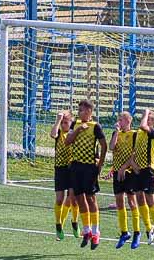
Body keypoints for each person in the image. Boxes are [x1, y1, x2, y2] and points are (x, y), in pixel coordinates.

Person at [65, 100, 107, 250]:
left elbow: (104, 145)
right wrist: (77, 130)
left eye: (82, 110)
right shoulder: (74, 125)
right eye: (79, 110)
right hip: (76, 166)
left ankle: (96, 232)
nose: (79, 113)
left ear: (89, 111)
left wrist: (100, 164)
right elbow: (67, 141)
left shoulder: (95, 127)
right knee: (79, 198)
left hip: (89, 167)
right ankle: (87, 229)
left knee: (90, 198)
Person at [127, 108, 154, 248]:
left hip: (148, 169)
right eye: (145, 118)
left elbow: (143, 125)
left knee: (150, 200)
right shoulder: (138, 134)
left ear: (153, 122)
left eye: (148, 118)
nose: (145, 120)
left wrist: (147, 112)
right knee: (139, 198)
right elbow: (134, 152)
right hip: (138, 170)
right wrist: (133, 164)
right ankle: (149, 229)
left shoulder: (153, 133)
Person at [110, 112, 141, 250]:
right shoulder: (116, 133)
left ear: (128, 121)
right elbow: (111, 147)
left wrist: (124, 167)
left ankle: (137, 232)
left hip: (129, 172)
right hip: (117, 172)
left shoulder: (134, 135)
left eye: (121, 120)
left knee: (132, 201)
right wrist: (116, 133)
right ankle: (124, 232)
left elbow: (135, 154)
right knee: (119, 202)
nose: (119, 122)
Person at [49, 110, 79, 240]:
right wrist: (58, 120)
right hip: (60, 168)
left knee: (73, 197)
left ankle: (74, 221)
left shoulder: (74, 133)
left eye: (66, 122)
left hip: (72, 168)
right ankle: (58, 224)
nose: (64, 125)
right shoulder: (59, 132)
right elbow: (52, 134)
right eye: (62, 123)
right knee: (60, 199)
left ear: (71, 122)